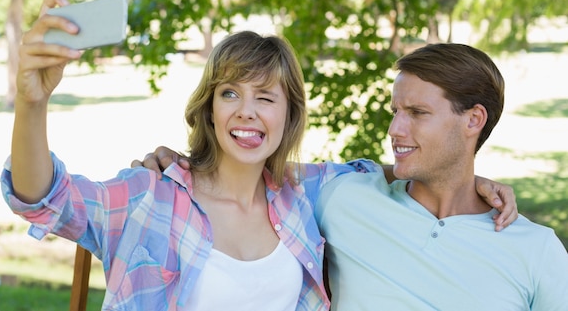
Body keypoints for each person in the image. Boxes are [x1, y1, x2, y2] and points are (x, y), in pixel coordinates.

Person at [137, 44, 567, 310]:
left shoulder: (536, 251)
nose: (395, 130)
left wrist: (473, 183)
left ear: (474, 120)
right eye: (395, 111)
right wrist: (184, 162)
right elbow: (246, 164)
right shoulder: (344, 197)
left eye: (417, 114)